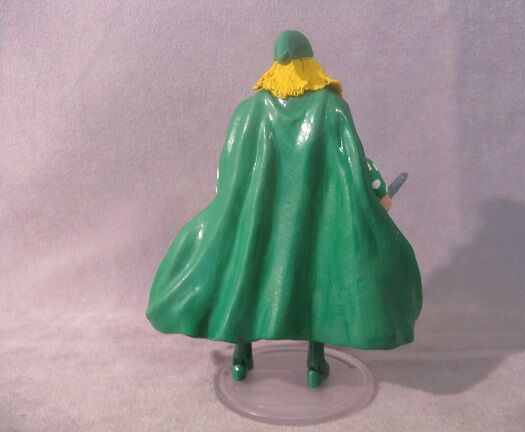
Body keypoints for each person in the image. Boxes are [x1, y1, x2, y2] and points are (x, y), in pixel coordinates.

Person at [146, 30, 422, 388]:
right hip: (315, 220)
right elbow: (356, 164)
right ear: (310, 63)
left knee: (249, 274)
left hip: (258, 220)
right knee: (315, 277)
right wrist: (379, 190)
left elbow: (225, 173)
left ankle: (241, 357)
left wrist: (231, 208)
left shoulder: (247, 112)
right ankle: (314, 362)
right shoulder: (332, 108)